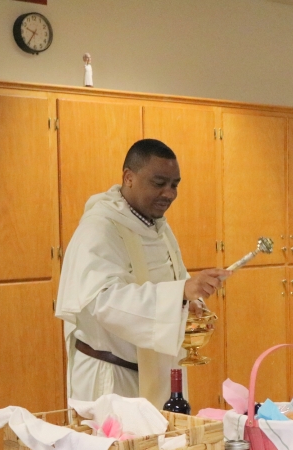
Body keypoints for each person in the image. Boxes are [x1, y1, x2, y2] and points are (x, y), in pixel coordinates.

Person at [56, 139, 229, 409]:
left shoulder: (158, 227)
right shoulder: (100, 229)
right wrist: (180, 293)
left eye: (175, 185)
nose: (169, 193)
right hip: (113, 380)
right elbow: (105, 302)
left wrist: (191, 303)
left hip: (158, 370)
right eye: (159, 183)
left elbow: (176, 280)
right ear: (129, 178)